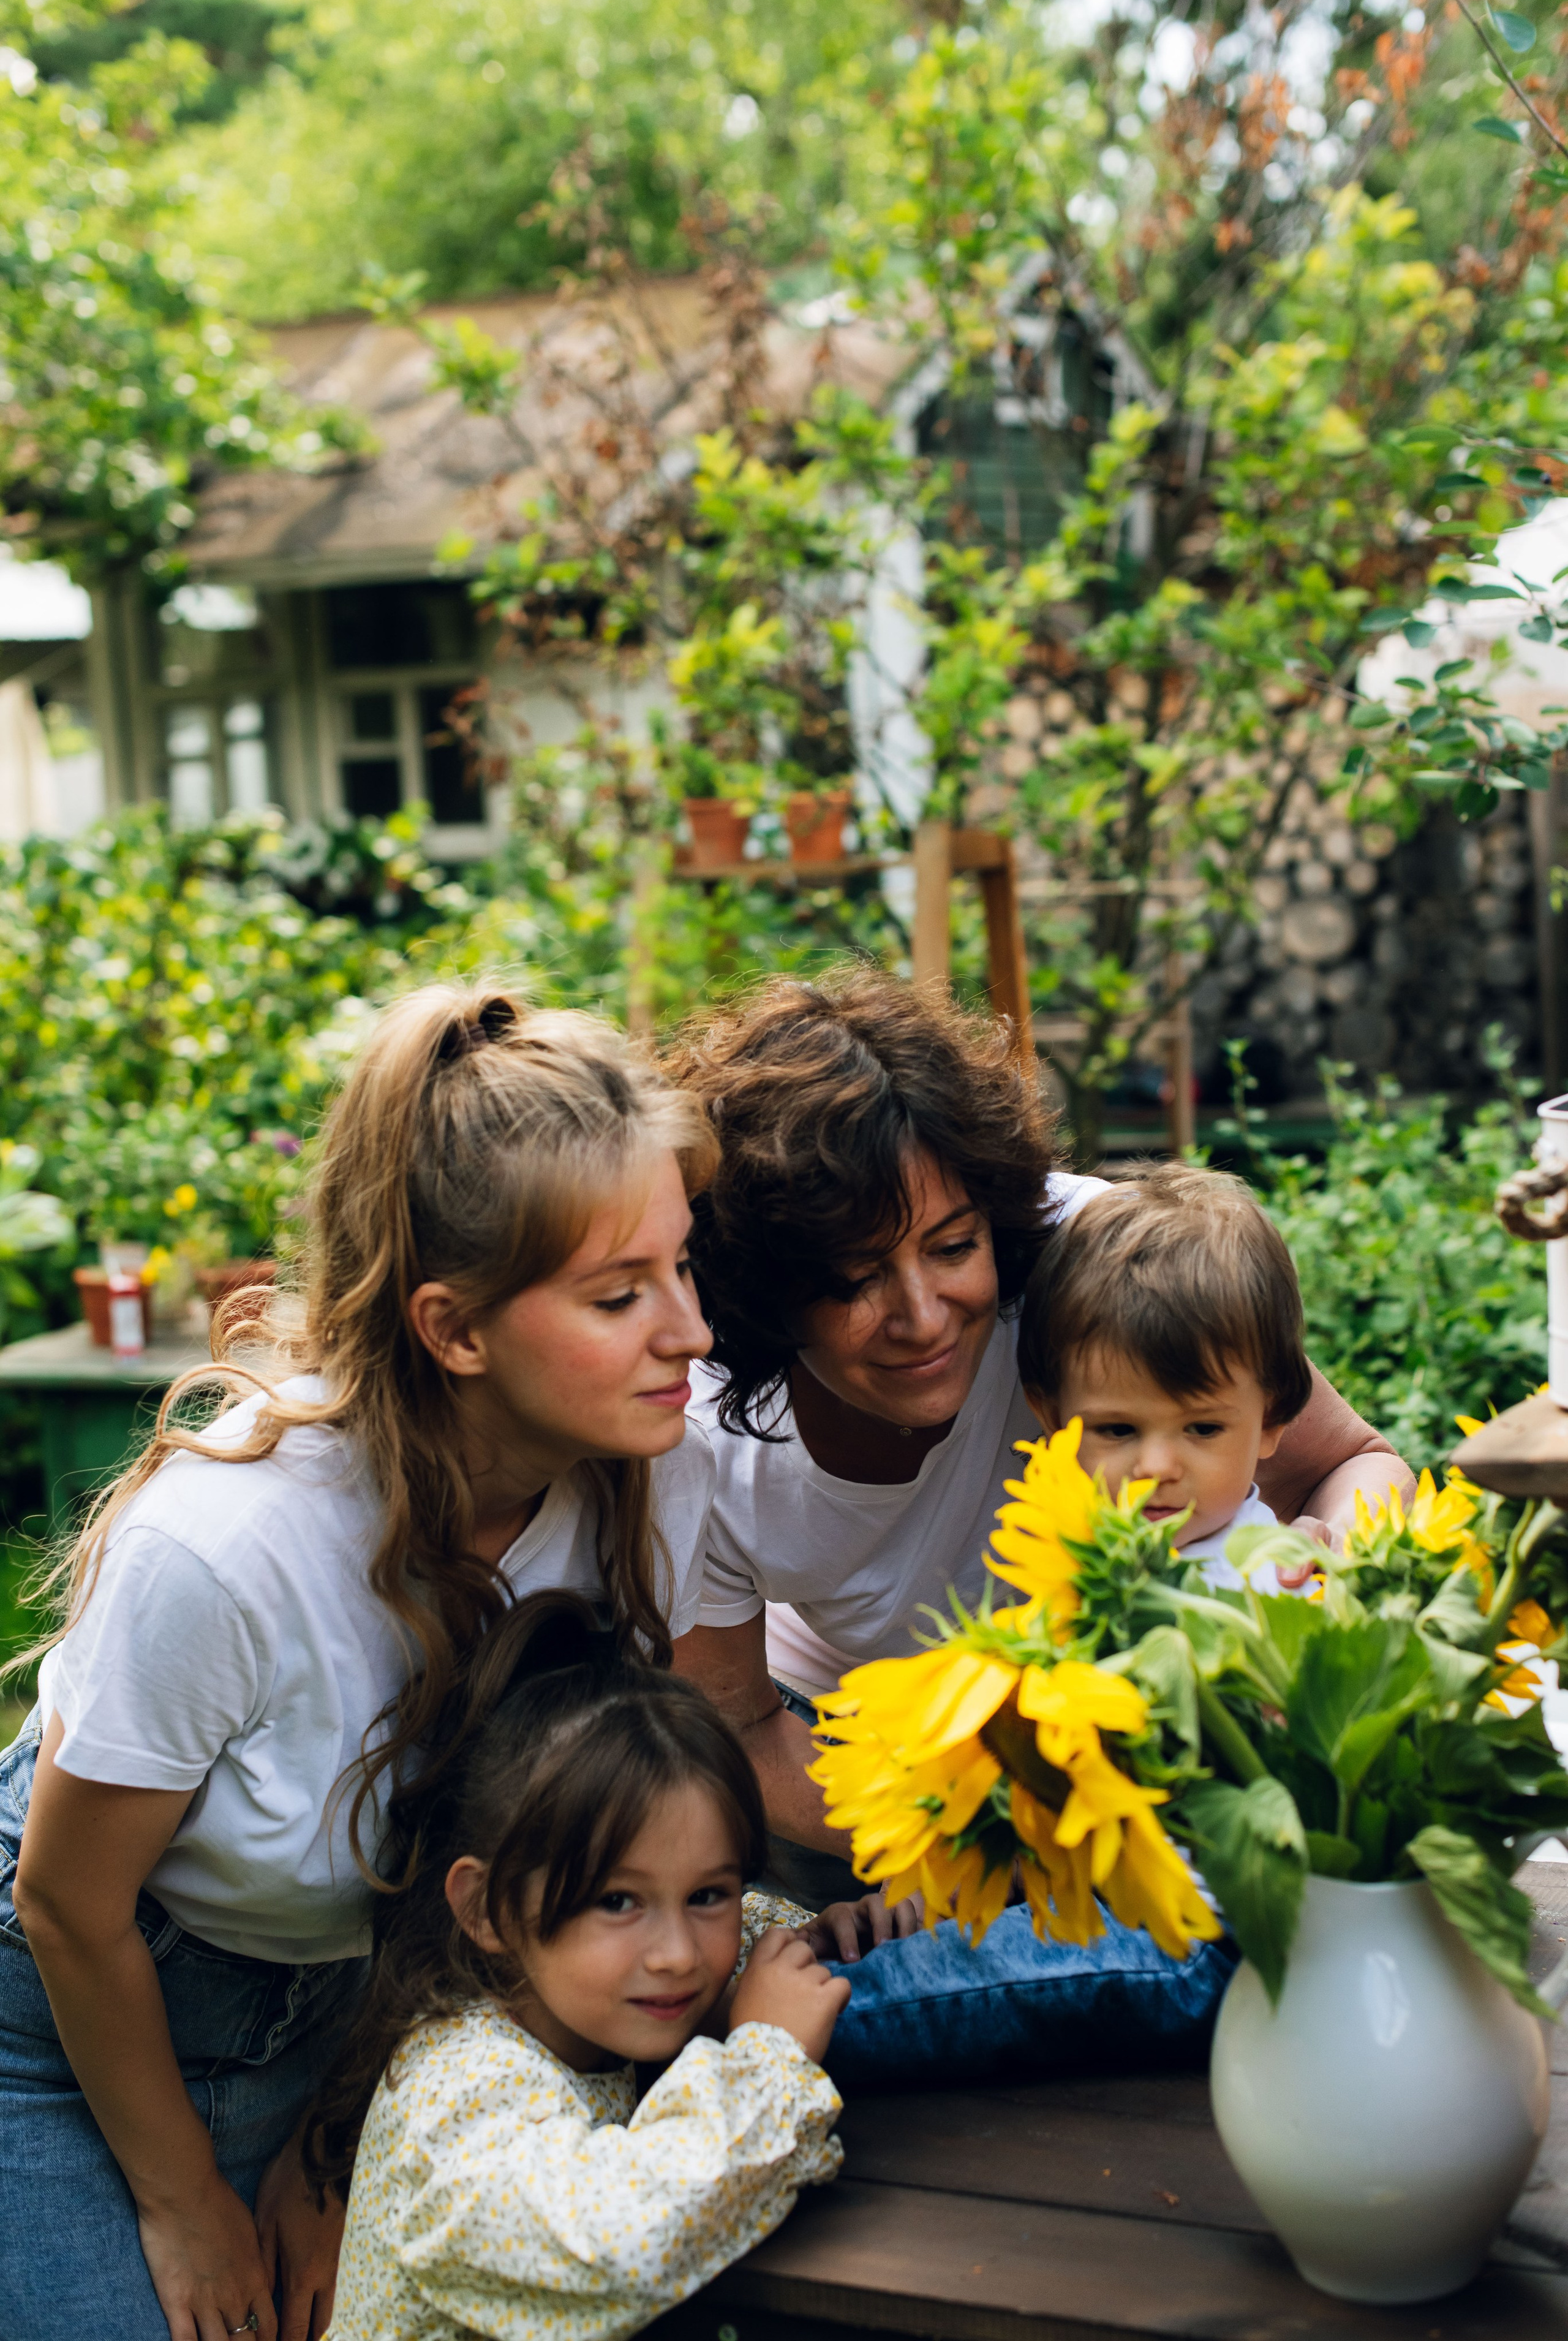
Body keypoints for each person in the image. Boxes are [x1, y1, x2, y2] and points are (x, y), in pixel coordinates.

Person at [0, 986, 719, 2341]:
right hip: (62, 2023)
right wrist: (184, 2202)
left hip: (335, 2016)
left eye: (685, 1269)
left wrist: (335, 2140)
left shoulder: (623, 1482)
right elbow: (64, 1904)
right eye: (622, 1294)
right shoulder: (223, 1552)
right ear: (451, 1330)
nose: (686, 1331)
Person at [668, 970, 1414, 1894]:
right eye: (856, 1277)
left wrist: (1333, 1571)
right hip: (854, 1756)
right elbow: (732, 1729)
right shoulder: (696, 1435)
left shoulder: (1098, 1266)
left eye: (952, 1247)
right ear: (765, 1286)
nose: (924, 1315)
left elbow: (1356, 1461)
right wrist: (1000, 1832)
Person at [318, 1595, 847, 2341]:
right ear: (488, 1909)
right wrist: (770, 2057)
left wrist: (828, 1933)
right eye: (617, 1901)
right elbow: (618, 2245)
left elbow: (757, 1924)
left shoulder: (583, 1997)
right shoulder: (459, 2090)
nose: (677, 1954)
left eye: (706, 1893)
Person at [1017, 1161, 1317, 1593]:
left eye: (1203, 1427)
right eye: (1118, 1429)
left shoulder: (1281, 1586)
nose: (1156, 1469)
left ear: (1271, 1419)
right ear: (1051, 1417)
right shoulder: (1049, 1568)